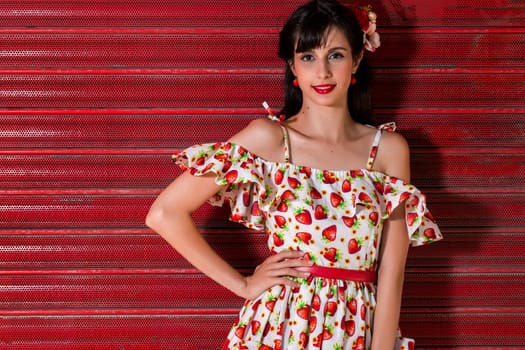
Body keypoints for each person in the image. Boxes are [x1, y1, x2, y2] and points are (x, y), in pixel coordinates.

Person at [146, 0, 443, 349]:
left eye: (335, 55)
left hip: (358, 329)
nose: (322, 72)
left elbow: (392, 274)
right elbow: (164, 213)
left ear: (357, 60)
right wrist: (243, 285)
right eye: (307, 57)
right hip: (280, 327)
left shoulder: (390, 150)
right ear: (292, 66)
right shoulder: (268, 139)